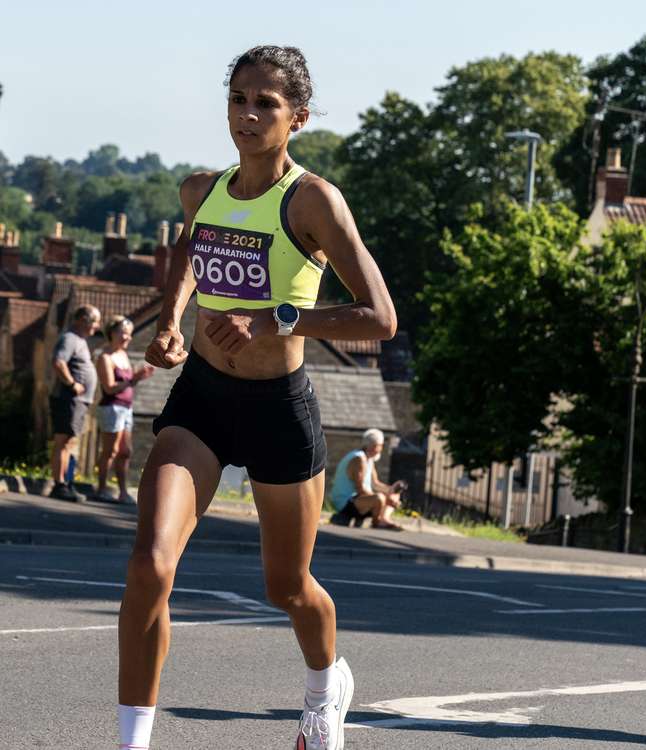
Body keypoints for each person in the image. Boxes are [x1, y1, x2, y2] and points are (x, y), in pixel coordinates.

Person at [117, 45, 397, 750]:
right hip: (202, 403)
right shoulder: (199, 190)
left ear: (296, 118)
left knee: (288, 586)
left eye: (265, 103)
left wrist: (279, 317)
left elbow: (380, 318)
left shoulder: (313, 201)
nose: (247, 114)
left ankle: (325, 683)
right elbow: (189, 251)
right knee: (150, 564)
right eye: (238, 98)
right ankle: (131, 742)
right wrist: (174, 321)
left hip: (279, 407)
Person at [94, 316, 154, 504]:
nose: (127, 337)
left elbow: (128, 384)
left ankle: (122, 491)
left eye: (129, 334)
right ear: (112, 333)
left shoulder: (123, 355)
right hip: (112, 408)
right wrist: (133, 378)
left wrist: (138, 378)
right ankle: (102, 489)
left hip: (126, 408)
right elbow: (110, 387)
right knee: (110, 451)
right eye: (123, 333)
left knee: (125, 451)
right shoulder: (105, 357)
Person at [49, 305, 102, 502]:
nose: (97, 326)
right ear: (82, 320)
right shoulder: (70, 338)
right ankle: (59, 484)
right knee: (63, 441)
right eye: (94, 321)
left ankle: (66, 483)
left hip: (77, 400)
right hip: (68, 398)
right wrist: (72, 384)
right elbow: (58, 362)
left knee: (69, 441)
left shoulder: (79, 340)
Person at [330, 428, 406, 530]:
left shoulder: (368, 459)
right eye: (381, 445)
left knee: (393, 495)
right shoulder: (359, 459)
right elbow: (360, 490)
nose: (382, 448)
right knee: (380, 498)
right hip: (345, 502)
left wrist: (391, 492)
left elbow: (375, 484)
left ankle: (384, 519)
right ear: (375, 446)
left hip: (358, 500)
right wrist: (386, 499)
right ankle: (377, 522)